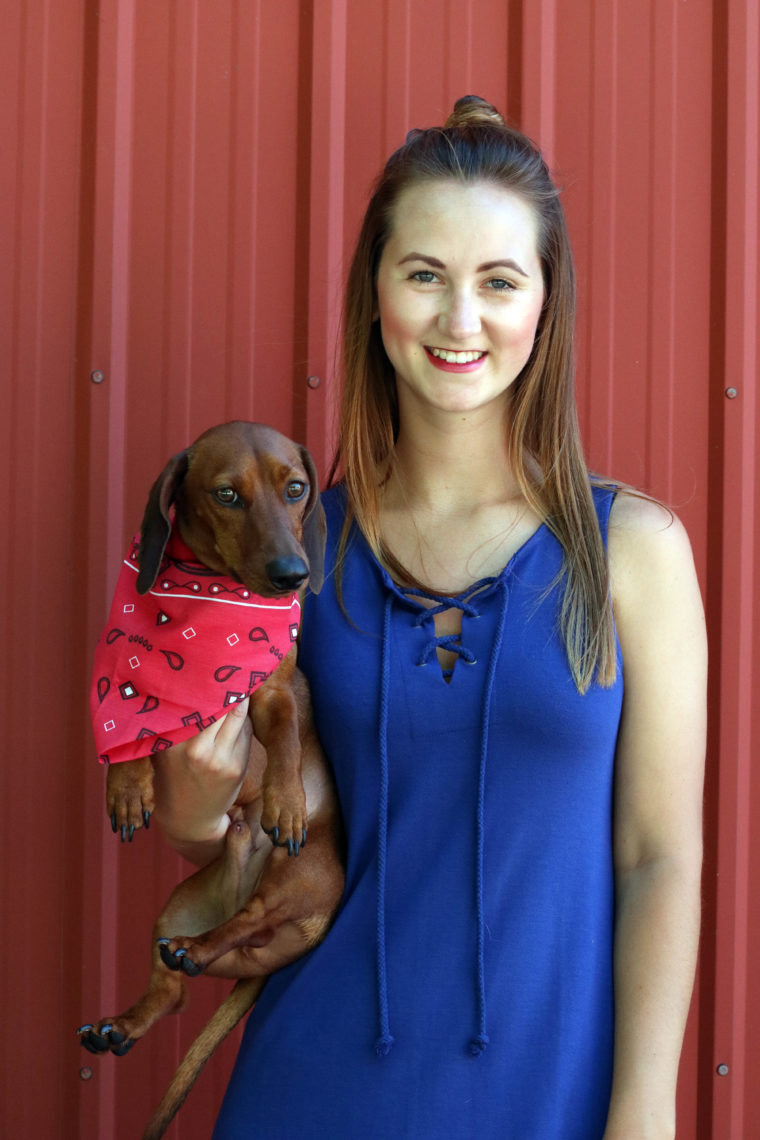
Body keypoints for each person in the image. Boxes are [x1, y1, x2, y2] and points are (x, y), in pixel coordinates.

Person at [152, 96, 706, 1139]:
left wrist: (645, 1109)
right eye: (424, 276)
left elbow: (657, 856)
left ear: (545, 303)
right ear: (375, 295)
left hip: (552, 1096)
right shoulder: (303, 560)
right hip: (311, 1090)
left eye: (499, 281)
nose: (461, 321)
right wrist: (191, 810)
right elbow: (252, 840)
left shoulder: (632, 553)